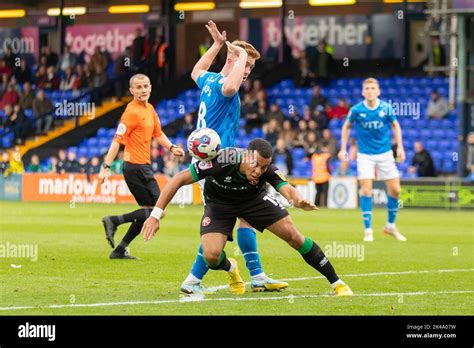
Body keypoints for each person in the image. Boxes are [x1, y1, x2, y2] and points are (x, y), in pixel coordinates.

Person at [142, 139, 353, 297]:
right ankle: (231, 268)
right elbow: (178, 179)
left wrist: (299, 201)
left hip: (253, 202)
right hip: (219, 205)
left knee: (294, 236)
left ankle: (337, 282)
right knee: (212, 255)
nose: (259, 171)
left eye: (264, 167)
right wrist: (155, 215)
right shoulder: (223, 159)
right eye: (256, 165)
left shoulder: (267, 169)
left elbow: (287, 189)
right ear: (246, 155)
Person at [181, 20, 287, 295]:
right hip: (217, 165)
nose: (247, 72)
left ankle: (255, 275)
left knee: (244, 217)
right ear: (234, 60)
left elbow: (196, 71)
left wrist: (216, 45)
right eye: (246, 65)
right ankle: (197, 278)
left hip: (218, 161)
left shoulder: (209, 80)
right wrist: (236, 56)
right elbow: (230, 88)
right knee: (224, 220)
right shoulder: (225, 86)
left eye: (250, 67)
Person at [98, 73, 184, 259]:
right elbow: (116, 141)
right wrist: (106, 166)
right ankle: (112, 220)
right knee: (159, 210)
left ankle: (120, 249)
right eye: (139, 87)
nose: (143, 90)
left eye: (145, 86)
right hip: (135, 167)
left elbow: (158, 133)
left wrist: (172, 147)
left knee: (149, 212)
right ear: (132, 91)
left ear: (151, 87)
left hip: (142, 166)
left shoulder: (150, 109)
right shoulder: (131, 112)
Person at [338, 78, 407, 242]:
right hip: (365, 155)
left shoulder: (386, 108)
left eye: (373, 88)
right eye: (367, 88)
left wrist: (400, 147)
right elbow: (346, 126)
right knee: (366, 190)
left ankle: (390, 226)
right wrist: (343, 148)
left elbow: (396, 126)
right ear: (363, 92)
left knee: (396, 190)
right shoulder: (356, 110)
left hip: (385, 154)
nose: (369, 90)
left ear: (378, 91)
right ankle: (368, 230)